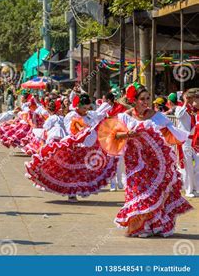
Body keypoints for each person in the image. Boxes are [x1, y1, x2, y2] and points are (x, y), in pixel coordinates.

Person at [115, 84, 193, 237]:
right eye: (142, 99)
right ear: (134, 100)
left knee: (154, 193)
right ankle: (141, 226)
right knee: (137, 193)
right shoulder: (125, 116)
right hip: (134, 162)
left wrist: (187, 138)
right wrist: (128, 134)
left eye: (147, 98)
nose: (146, 102)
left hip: (155, 162)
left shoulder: (158, 117)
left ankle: (154, 225)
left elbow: (171, 132)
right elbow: (114, 135)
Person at [26, 93, 116, 203]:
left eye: (87, 108)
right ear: (77, 106)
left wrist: (106, 105)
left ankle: (76, 191)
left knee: (81, 172)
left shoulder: (88, 115)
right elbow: (72, 130)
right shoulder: (71, 116)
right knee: (71, 172)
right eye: (84, 108)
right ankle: (71, 194)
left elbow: (97, 115)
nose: (85, 110)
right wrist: (84, 131)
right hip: (72, 147)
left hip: (84, 148)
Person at [175, 88, 199, 197]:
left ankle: (195, 187)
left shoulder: (194, 110)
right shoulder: (180, 108)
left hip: (194, 140)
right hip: (185, 141)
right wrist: (185, 102)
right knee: (188, 165)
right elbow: (178, 115)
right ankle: (189, 190)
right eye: (192, 97)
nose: (193, 99)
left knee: (196, 165)